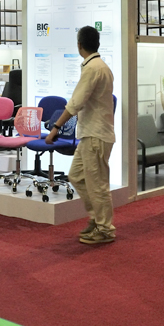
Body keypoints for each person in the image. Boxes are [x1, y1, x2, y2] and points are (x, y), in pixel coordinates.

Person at [45, 26, 116, 245]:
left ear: (79, 45)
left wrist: (56, 127)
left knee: (97, 185)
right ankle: (96, 218)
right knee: (76, 176)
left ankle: (105, 229)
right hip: (91, 134)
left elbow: (75, 103)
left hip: (95, 135)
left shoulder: (93, 68)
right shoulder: (98, 66)